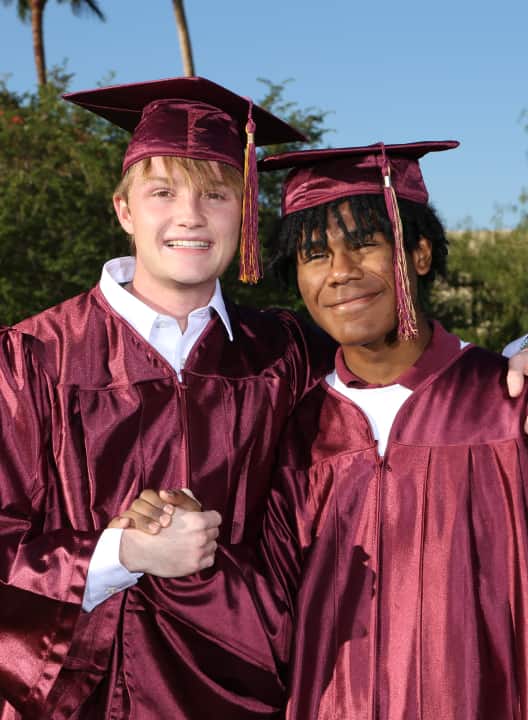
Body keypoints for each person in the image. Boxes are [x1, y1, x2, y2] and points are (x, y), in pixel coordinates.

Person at [127, 141, 528, 719]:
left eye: (365, 244)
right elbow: (265, 620)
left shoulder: (505, 405)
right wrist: (180, 555)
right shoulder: (300, 432)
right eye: (315, 256)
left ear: (416, 253)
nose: (340, 272)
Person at [0, 76, 334, 719]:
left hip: (242, 691)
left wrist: (508, 361)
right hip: (82, 699)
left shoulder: (286, 354)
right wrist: (120, 553)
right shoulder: (33, 357)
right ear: (124, 210)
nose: (190, 215)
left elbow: (400, 405)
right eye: (162, 193)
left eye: (216, 194)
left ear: (246, 211)